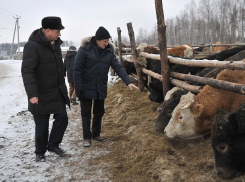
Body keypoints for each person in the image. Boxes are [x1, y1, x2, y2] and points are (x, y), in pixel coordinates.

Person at [74, 26, 139, 147]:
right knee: (86, 112)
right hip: (86, 86)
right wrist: (78, 89)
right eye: (104, 41)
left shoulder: (109, 51)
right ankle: (86, 137)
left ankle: (96, 134)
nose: (107, 43)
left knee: (99, 111)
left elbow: (118, 67)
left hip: (101, 86)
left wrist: (128, 81)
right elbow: (77, 70)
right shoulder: (84, 49)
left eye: (108, 40)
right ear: (98, 40)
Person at [21, 16, 70, 162]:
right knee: (42, 126)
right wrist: (32, 94)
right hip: (40, 93)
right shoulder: (32, 46)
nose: (59, 34)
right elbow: (27, 71)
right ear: (47, 30)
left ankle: (53, 145)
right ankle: (40, 152)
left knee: (62, 118)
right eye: (57, 31)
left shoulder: (56, 44)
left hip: (57, 91)